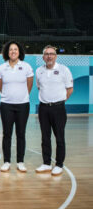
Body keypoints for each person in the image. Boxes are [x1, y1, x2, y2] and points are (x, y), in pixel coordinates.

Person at [35, 45, 73, 176]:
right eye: (46, 54)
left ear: (56, 56)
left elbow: (69, 89)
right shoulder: (39, 71)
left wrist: (59, 101)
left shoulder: (64, 70)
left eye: (52, 54)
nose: (49, 56)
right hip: (44, 108)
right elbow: (40, 88)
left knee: (59, 137)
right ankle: (46, 163)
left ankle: (59, 164)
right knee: (45, 137)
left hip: (58, 108)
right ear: (43, 57)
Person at [0, 41, 34, 173]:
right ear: (7, 52)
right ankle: (7, 161)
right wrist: (9, 96)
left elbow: (29, 85)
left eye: (16, 49)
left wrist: (21, 96)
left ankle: (20, 161)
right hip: (6, 105)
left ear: (19, 52)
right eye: (11, 49)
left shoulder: (26, 66)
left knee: (21, 134)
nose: (13, 51)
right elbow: (1, 85)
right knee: (7, 134)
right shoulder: (1, 68)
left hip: (23, 105)